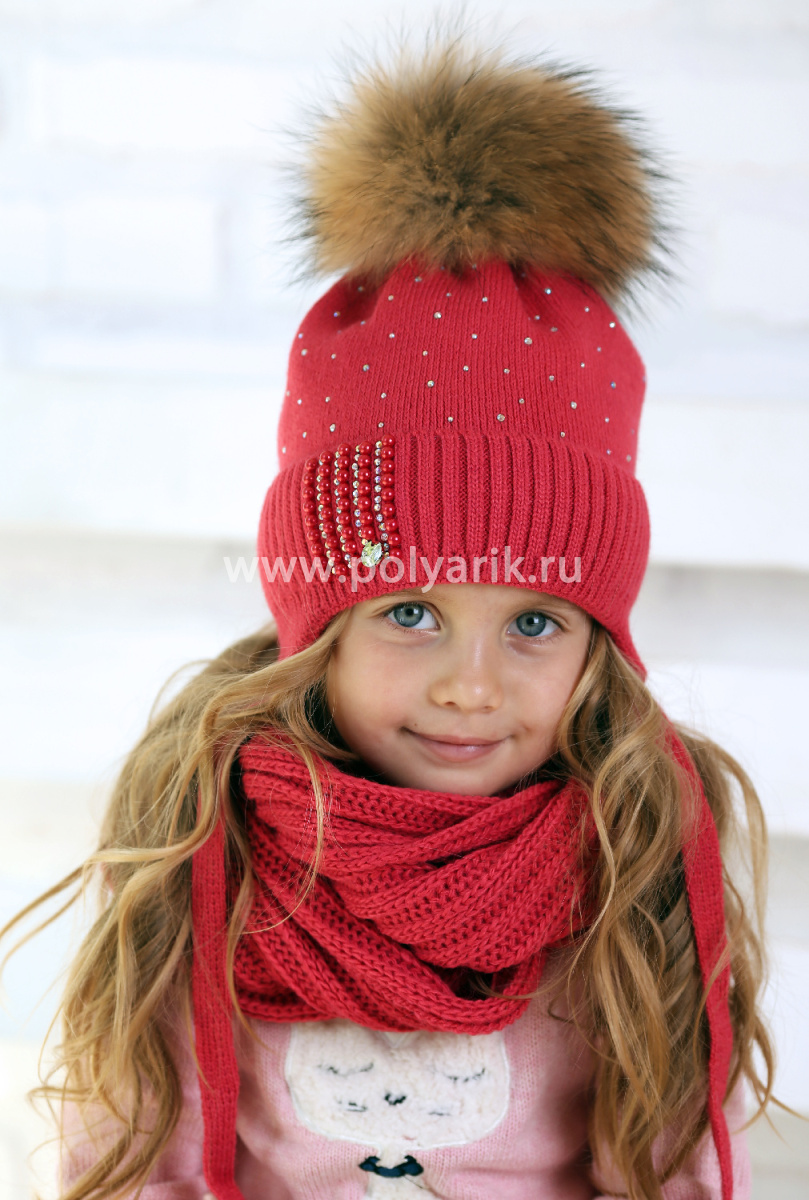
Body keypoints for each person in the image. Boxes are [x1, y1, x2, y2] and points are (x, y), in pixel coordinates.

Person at [2, 30, 775, 1200]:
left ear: (599, 641)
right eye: (410, 609)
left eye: (534, 624)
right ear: (314, 621)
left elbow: (668, 1165)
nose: (471, 684)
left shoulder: (633, 855)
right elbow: (137, 1154)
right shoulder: (204, 841)